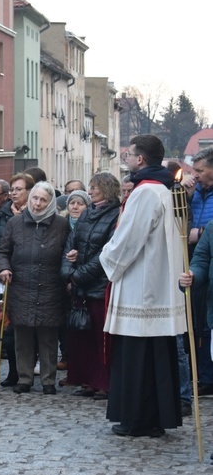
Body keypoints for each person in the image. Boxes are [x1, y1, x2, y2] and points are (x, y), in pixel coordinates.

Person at [100, 134, 185, 437]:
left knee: (138, 357)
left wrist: (105, 257)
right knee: (155, 356)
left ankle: (137, 419)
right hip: (154, 283)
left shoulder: (146, 192)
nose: (125, 155)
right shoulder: (160, 187)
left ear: (141, 160)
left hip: (142, 287)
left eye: (130, 153)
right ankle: (154, 418)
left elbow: (129, 240)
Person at [0, 181, 70, 395]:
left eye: (43, 200)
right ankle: (24, 378)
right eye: (35, 199)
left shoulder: (61, 224)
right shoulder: (15, 223)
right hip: (21, 286)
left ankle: (48, 380)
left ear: (50, 203)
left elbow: (67, 251)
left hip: (51, 286)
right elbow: (3, 251)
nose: (37, 204)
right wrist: (4, 268)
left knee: (48, 336)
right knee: (23, 335)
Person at [61, 173, 121, 400]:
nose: (91, 191)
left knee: (100, 338)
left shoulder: (115, 215)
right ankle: (86, 380)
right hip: (80, 283)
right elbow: (71, 243)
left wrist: (79, 275)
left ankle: (103, 382)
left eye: (94, 187)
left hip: (98, 285)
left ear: (105, 188)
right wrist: (69, 271)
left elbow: (106, 253)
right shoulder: (87, 213)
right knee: (81, 337)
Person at [0, 173, 34, 386]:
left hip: (29, 279)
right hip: (5, 278)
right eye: (12, 189)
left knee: (26, 330)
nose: (13, 193)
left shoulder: (36, 214)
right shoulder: (4, 215)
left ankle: (27, 373)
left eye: (18, 189)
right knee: (7, 328)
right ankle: (13, 372)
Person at [182, 147, 213, 397]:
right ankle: (201, 374)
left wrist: (201, 234)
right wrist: (187, 197)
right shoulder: (196, 192)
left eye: (200, 170)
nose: (197, 175)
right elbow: (182, 221)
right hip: (197, 259)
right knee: (198, 320)